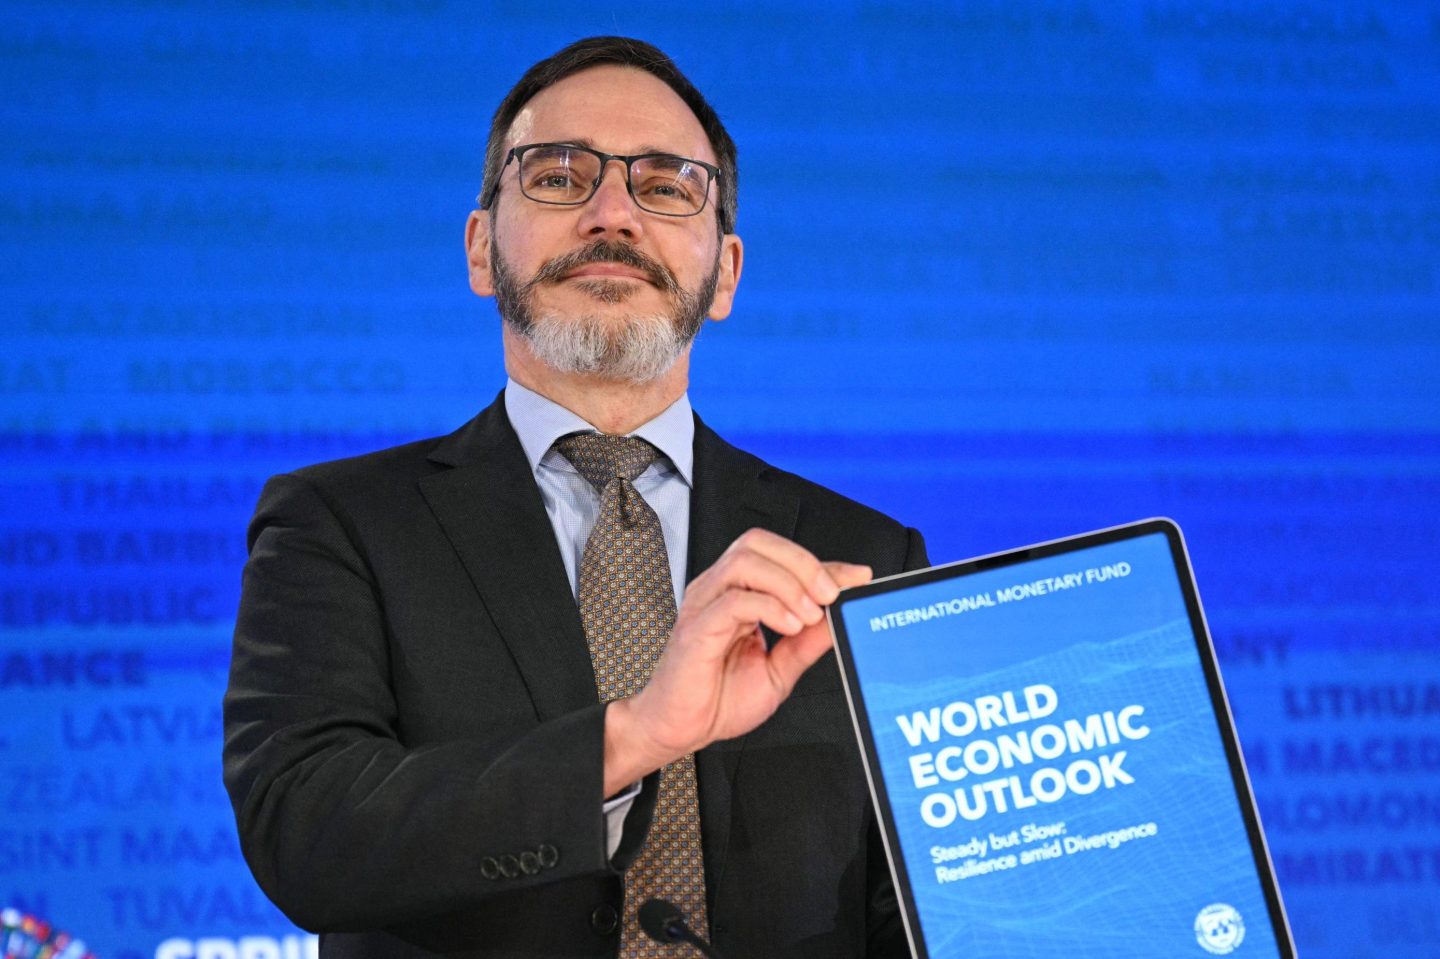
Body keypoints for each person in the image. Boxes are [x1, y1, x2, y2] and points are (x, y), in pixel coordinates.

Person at [223, 36, 928, 959]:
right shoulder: (340, 525)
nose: (613, 214)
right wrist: (631, 737)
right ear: (481, 249)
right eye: (558, 176)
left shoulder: (862, 555)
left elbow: (914, 907)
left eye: (668, 186)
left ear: (726, 273)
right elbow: (307, 836)